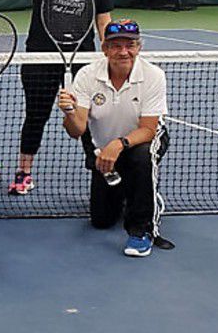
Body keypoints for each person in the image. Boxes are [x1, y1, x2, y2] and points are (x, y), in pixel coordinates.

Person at [0, 0, 112, 195]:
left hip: (82, 60)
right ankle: (24, 173)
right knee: (36, 115)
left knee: (89, 117)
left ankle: (99, 169)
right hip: (40, 58)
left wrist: (108, 51)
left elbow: (103, 19)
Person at [58, 19, 170, 257]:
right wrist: (69, 111)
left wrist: (118, 144)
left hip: (140, 141)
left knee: (141, 158)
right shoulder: (88, 75)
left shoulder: (153, 76)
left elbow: (149, 130)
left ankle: (141, 230)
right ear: (105, 49)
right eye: (116, 46)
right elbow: (77, 130)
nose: (123, 52)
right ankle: (134, 192)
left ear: (139, 47)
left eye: (130, 45)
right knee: (102, 220)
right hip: (102, 145)